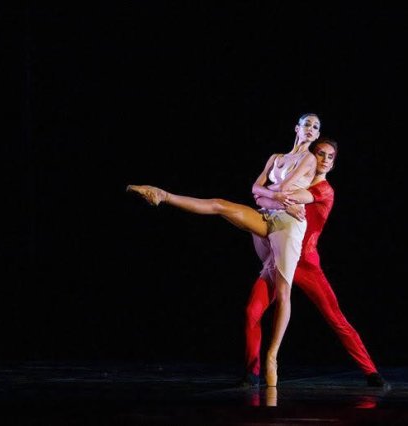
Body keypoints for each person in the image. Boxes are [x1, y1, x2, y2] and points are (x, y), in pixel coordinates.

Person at [127, 113, 321, 387]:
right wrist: (271, 195)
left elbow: (283, 189)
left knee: (282, 292)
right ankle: (162, 195)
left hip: (289, 225)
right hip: (267, 216)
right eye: (307, 124)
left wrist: (269, 194)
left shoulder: (309, 159)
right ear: (297, 128)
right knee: (220, 205)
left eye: (316, 127)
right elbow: (256, 189)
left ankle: (272, 356)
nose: (311, 129)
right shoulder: (276, 157)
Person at [243, 138, 391, 390]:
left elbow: (273, 196)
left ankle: (371, 372)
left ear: (333, 164)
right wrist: (272, 197)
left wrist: (272, 196)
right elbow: (261, 200)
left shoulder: (324, 190)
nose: (324, 159)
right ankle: (252, 373)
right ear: (310, 158)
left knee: (335, 317)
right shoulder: (296, 180)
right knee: (251, 313)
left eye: (329, 157)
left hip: (306, 264)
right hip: (278, 258)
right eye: (320, 154)